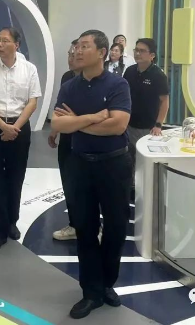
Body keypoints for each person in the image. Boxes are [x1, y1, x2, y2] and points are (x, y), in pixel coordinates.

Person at [51, 30, 133, 320]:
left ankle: (107, 283)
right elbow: (58, 124)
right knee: (85, 229)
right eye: (77, 46)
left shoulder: (118, 84)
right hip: (80, 165)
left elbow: (118, 125)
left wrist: (76, 123)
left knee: (116, 227)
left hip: (114, 165)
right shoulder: (69, 87)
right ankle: (90, 291)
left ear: (101, 52)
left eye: (85, 46)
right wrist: (94, 117)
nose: (78, 50)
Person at [0, 27, 42, 253]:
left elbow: (32, 102)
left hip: (19, 126)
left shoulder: (29, 69)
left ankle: (12, 221)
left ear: (16, 45)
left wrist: (15, 127)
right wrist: (3, 127)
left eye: (4, 40)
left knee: (16, 176)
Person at [50, 39, 80, 241]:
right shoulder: (66, 78)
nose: (71, 58)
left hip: (88, 142)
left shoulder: (100, 82)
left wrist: (76, 119)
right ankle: (74, 224)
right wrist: (54, 131)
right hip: (67, 140)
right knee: (69, 182)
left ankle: (94, 226)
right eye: (69, 54)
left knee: (88, 187)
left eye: (74, 54)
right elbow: (60, 110)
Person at [123, 38, 169, 166]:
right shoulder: (129, 71)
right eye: (136, 50)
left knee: (144, 162)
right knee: (128, 159)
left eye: (142, 51)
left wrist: (158, 125)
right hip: (128, 124)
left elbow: (164, 102)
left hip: (148, 127)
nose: (138, 53)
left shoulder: (158, 75)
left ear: (152, 55)